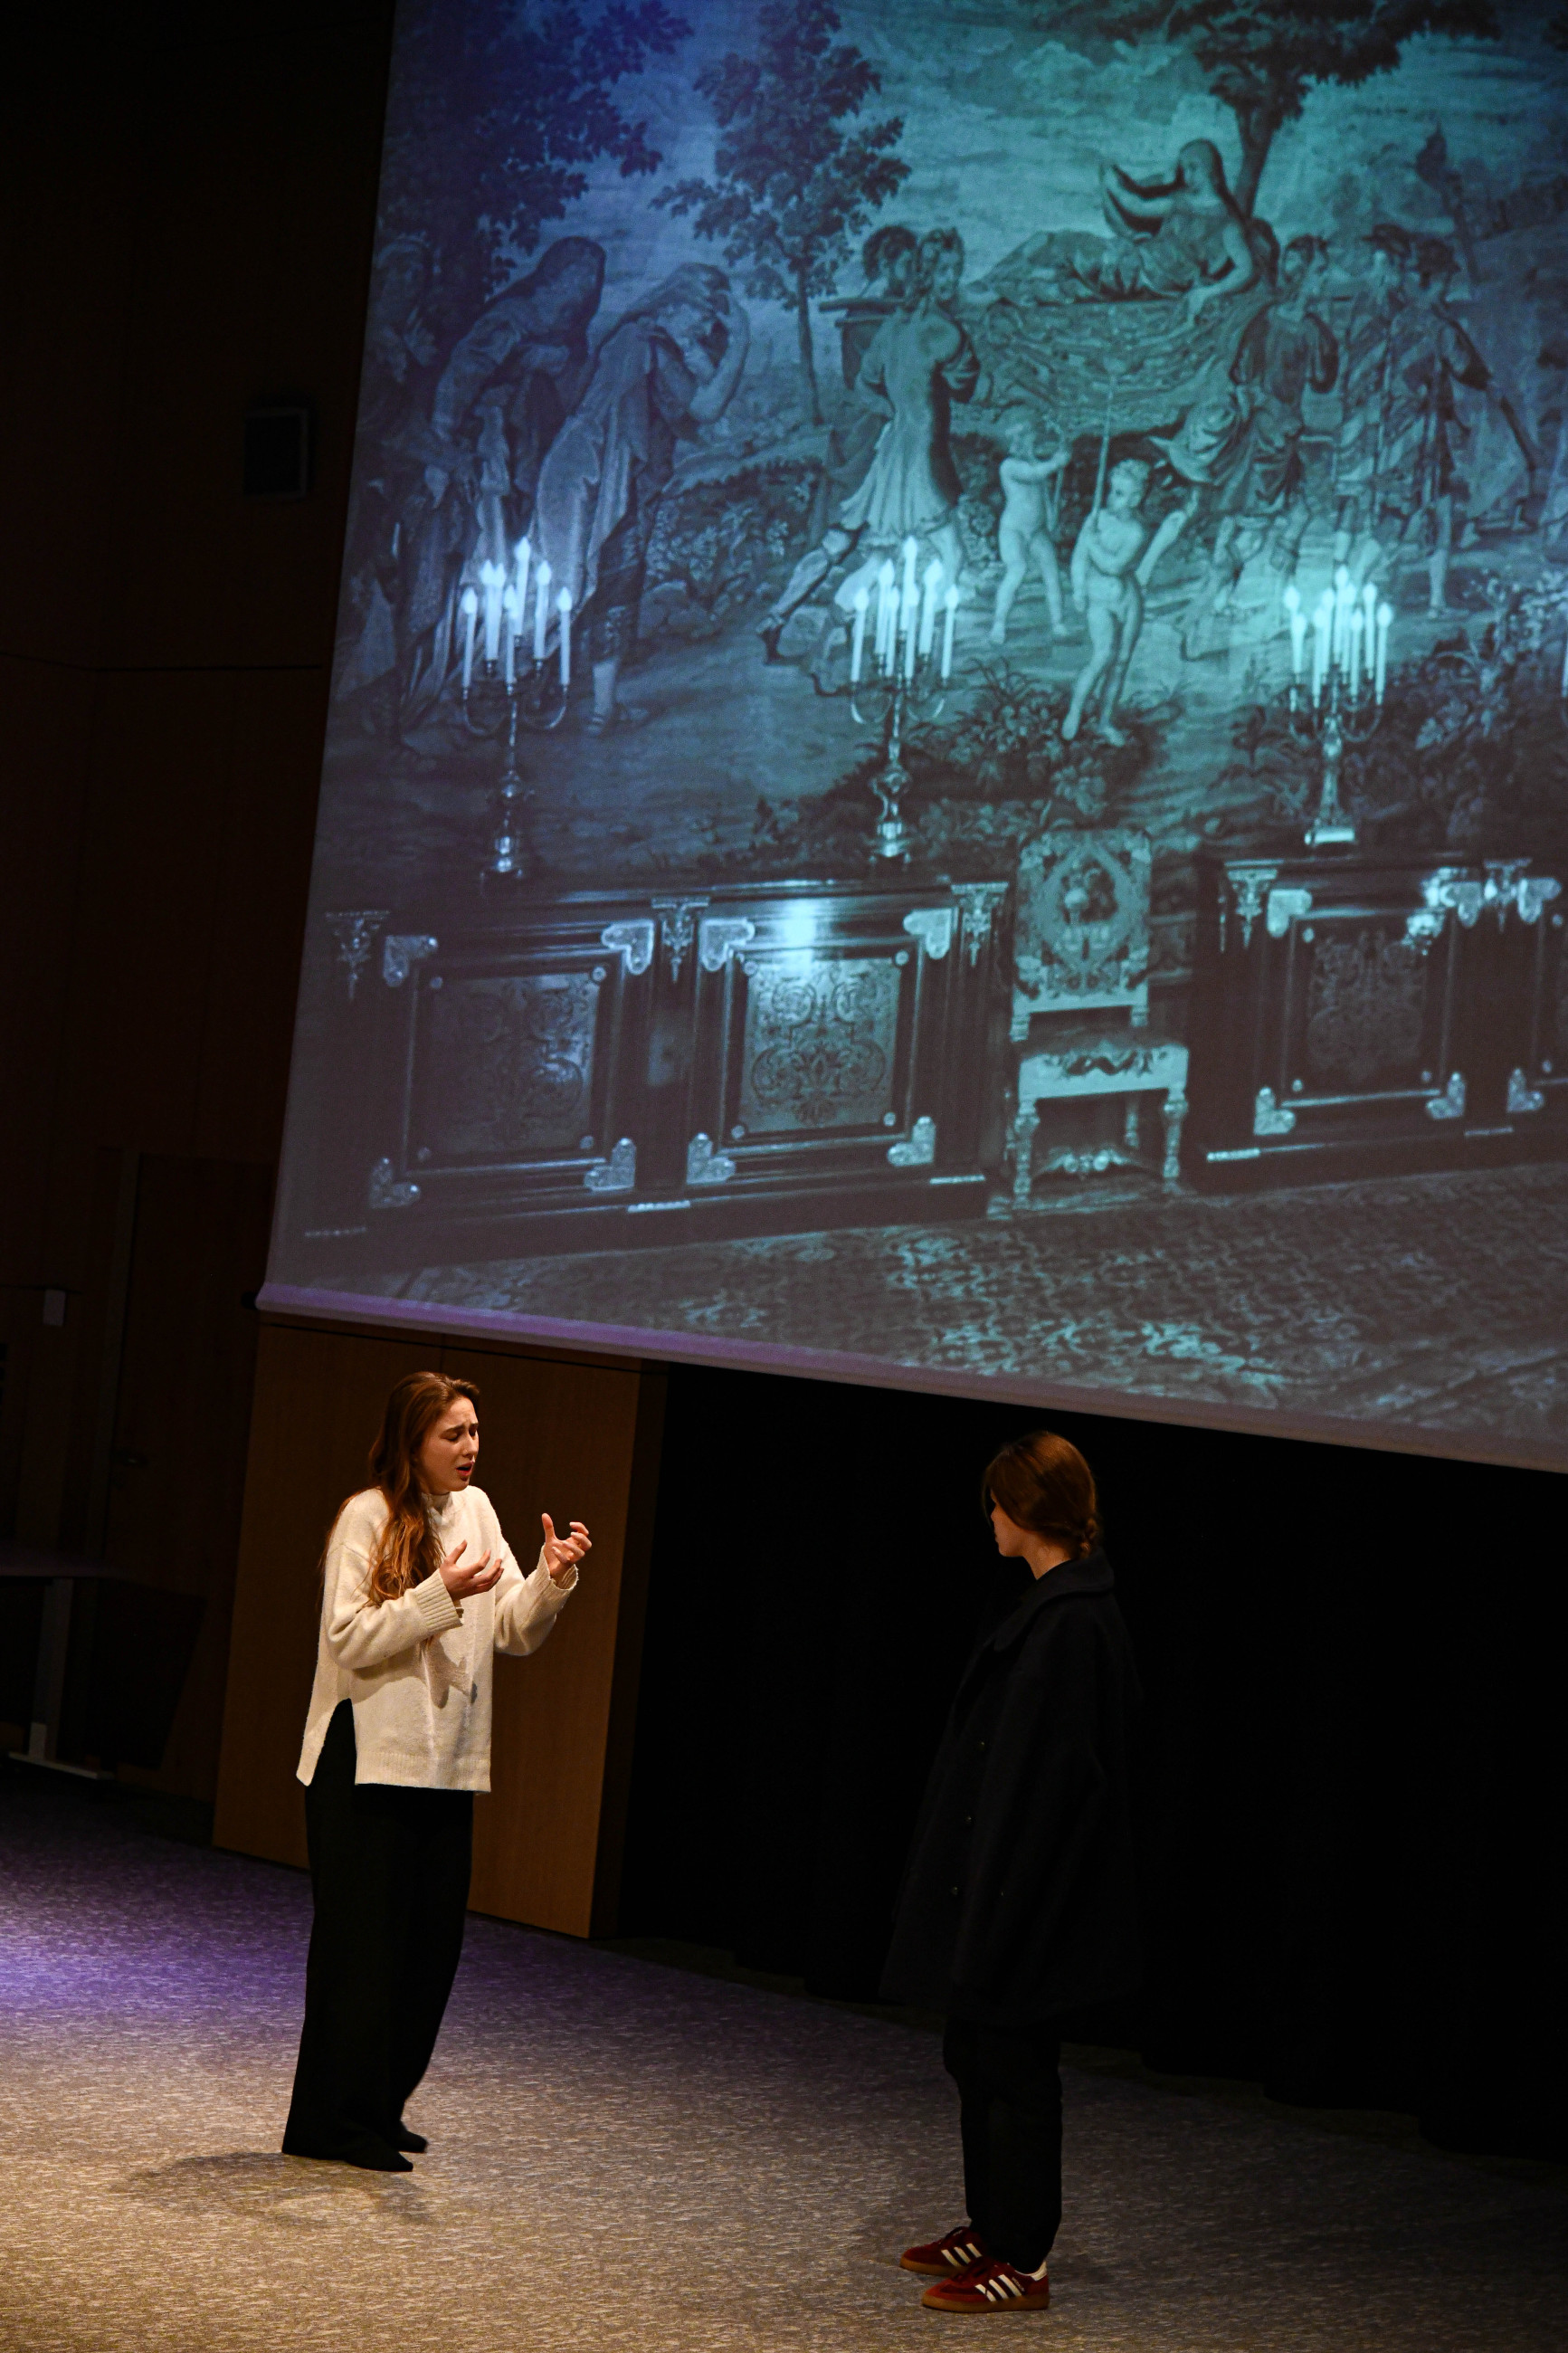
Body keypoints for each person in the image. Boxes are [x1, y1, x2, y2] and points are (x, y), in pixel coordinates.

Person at [282, 1371, 590, 2171]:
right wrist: (436, 1593)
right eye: (453, 1434)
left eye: (475, 1431)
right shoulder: (367, 1515)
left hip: (446, 1767)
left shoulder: (477, 1510)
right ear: (412, 1441)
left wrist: (551, 1579)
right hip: (365, 1763)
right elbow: (347, 1637)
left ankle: (379, 2107)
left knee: (426, 1955)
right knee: (361, 1954)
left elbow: (511, 1630)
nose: (470, 1447)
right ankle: (328, 2122)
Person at [882, 1430, 1140, 2315]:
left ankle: (1021, 2257)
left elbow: (1059, 1784)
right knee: (974, 2051)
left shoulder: (1073, 1622)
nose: (988, 1517)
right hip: (995, 1885)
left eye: (996, 1501)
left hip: (1030, 1897)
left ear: (1027, 1509)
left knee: (1016, 2065)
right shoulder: (1046, 1605)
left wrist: (1008, 1901)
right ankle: (992, 2224)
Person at [532, 262, 750, 733]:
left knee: (591, 579)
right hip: (603, 477)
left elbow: (684, 420)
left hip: (591, 472)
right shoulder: (650, 345)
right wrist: (741, 343)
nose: (708, 328)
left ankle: (581, 702)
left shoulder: (636, 340)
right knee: (603, 582)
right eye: (704, 315)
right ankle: (584, 707)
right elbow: (706, 408)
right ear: (674, 305)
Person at [755, 224, 920, 662]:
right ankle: (829, 637)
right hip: (871, 435)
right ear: (886, 264)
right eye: (908, 264)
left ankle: (780, 618)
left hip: (868, 431)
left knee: (843, 540)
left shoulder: (879, 312)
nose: (914, 273)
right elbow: (879, 383)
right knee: (863, 542)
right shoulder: (869, 318)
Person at [1062, 459, 1153, 744]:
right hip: (1099, 599)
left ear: (1135, 499)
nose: (1111, 498)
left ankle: (1105, 721)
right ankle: (1075, 711)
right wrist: (1078, 589)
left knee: (1121, 661)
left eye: (1120, 494)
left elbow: (1114, 565)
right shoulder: (1096, 519)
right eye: (1112, 491)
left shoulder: (1137, 531)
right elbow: (1079, 558)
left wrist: (1091, 542)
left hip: (1127, 598)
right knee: (1102, 655)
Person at [988, 405, 1071, 646]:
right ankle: (998, 623)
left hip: (1037, 530)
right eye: (1026, 438)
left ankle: (1058, 622)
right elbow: (1035, 475)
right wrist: (1057, 462)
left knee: (1051, 571)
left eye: (1031, 438)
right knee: (1017, 569)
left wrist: (1051, 516)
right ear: (1016, 441)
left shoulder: (1033, 462)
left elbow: (1043, 494)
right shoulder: (1009, 466)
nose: (1031, 443)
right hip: (1013, 530)